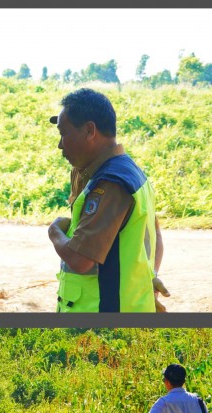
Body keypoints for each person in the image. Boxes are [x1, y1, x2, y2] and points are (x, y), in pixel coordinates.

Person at [47, 88, 159, 312]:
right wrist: (151, 278)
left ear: (89, 130)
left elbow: (81, 260)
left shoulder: (110, 182)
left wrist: (54, 232)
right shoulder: (130, 173)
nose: (60, 144)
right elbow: (155, 238)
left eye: (64, 133)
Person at [68, 167, 170, 311]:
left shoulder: (110, 194)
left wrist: (55, 232)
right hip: (136, 292)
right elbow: (156, 234)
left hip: (106, 300)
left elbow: (82, 261)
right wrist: (151, 275)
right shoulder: (136, 184)